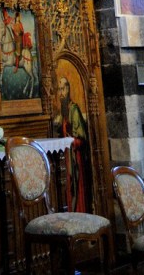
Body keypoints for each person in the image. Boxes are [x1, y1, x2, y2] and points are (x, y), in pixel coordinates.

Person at [53, 75, 90, 212]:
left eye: (63, 89)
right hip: (67, 155)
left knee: (76, 187)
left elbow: (81, 137)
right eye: (59, 90)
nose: (61, 93)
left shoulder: (74, 109)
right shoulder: (63, 111)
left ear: (68, 89)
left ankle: (80, 212)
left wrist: (72, 141)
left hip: (75, 156)